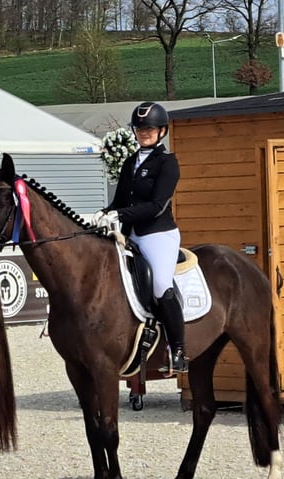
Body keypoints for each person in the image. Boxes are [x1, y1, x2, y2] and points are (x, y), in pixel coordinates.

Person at [93, 101, 187, 373]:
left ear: (161, 131)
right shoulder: (130, 162)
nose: (144, 133)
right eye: (140, 129)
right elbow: (120, 200)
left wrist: (120, 214)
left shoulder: (168, 163)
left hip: (158, 235)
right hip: (129, 234)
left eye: (149, 129)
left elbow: (157, 206)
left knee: (160, 285)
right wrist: (105, 212)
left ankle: (178, 349)